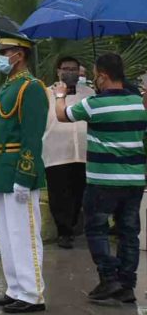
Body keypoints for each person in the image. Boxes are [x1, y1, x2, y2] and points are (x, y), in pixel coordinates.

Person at [51, 53, 147, 305]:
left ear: (103, 76)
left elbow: (63, 115)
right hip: (134, 181)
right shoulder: (138, 103)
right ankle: (127, 284)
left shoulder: (94, 104)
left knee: (96, 229)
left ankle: (108, 278)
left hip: (103, 180)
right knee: (129, 233)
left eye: (95, 74)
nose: (93, 79)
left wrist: (60, 95)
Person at [0, 30, 48, 314]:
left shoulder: (31, 87)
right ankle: (15, 288)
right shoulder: (8, 86)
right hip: (2, 170)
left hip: (18, 171)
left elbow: (32, 136)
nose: (1, 57)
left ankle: (33, 293)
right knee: (8, 234)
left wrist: (25, 175)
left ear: (19, 54)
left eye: (5, 52)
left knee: (24, 232)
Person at [42, 56, 93, 249]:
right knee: (58, 194)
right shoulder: (47, 93)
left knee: (79, 192)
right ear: (58, 71)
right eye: (66, 69)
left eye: (74, 69)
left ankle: (74, 225)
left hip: (83, 152)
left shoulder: (89, 93)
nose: (70, 72)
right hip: (56, 152)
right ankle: (63, 231)